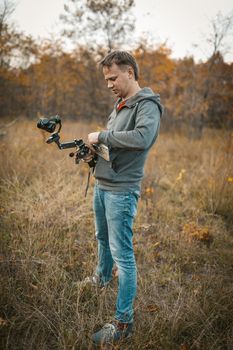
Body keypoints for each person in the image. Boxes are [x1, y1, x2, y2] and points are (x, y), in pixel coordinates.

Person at [85, 50, 163, 346]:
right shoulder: (120, 105)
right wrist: (94, 149)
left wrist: (101, 137)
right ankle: (102, 278)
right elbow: (115, 142)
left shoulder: (147, 105)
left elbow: (142, 138)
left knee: (124, 257)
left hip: (121, 191)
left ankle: (123, 323)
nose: (109, 84)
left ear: (130, 72)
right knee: (102, 238)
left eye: (113, 77)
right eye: (106, 79)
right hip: (103, 184)